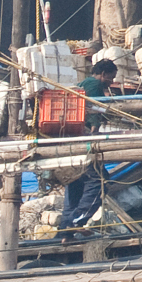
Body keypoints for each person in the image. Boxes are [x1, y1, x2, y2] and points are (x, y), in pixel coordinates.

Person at [59, 59, 117, 228]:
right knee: (100, 180)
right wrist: (94, 128)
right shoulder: (94, 84)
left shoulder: (83, 82)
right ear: (103, 74)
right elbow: (92, 108)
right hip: (82, 140)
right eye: (111, 78)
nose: (111, 82)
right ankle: (75, 222)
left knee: (75, 184)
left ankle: (64, 232)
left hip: (70, 142)